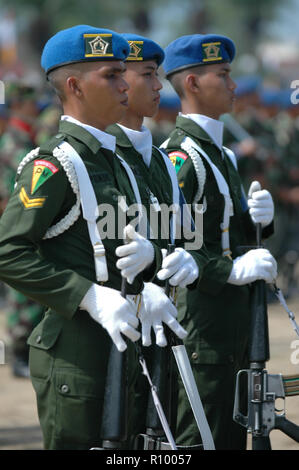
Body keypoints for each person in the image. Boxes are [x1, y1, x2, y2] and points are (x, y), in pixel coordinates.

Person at [0, 25, 188, 450]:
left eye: (125, 73)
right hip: (77, 358)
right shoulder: (55, 163)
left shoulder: (123, 163)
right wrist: (88, 295)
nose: (126, 84)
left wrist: (160, 270)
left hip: (133, 346)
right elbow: (8, 251)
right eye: (111, 75)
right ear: (74, 86)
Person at [160, 33, 277, 450]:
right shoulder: (182, 158)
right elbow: (177, 247)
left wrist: (257, 222)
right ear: (192, 84)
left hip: (232, 321)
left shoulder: (220, 155)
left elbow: (224, 235)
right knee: (201, 439)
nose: (232, 84)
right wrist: (232, 269)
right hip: (203, 326)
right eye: (223, 74)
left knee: (230, 434)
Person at [107, 33, 209, 444]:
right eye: (147, 74)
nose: (158, 86)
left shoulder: (162, 160)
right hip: (113, 337)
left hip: (160, 331)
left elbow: (190, 236)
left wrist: (186, 260)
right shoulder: (102, 156)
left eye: (157, 75)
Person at [0, 82, 44, 377]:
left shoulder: (27, 136)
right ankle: (17, 353)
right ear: (18, 105)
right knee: (19, 291)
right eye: (31, 104)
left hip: (23, 220)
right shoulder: (14, 138)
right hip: (12, 221)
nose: (35, 110)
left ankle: (23, 350)